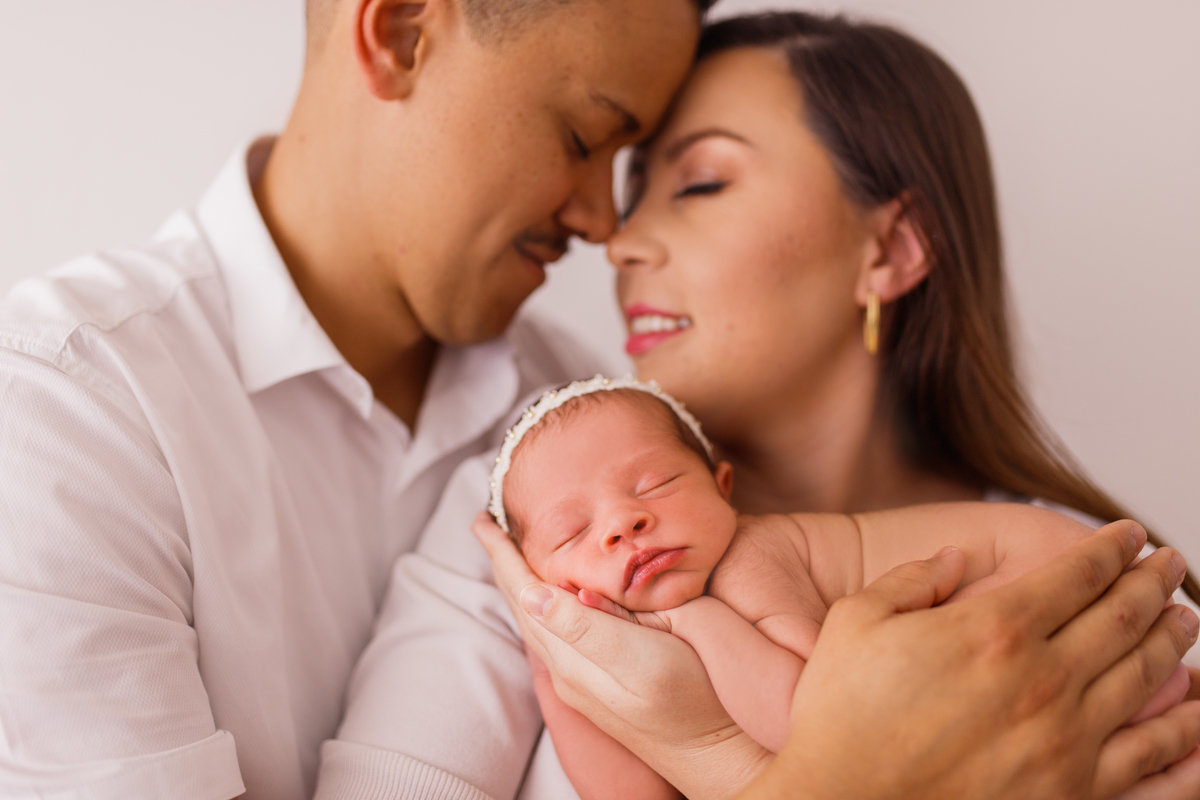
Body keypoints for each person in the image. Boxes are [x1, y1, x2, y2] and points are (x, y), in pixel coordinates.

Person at [0, 2, 1194, 799]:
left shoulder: (1061, 581)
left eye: (704, 179)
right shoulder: (536, 521)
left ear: (893, 249)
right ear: (399, 30)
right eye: (591, 146)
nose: (612, 236)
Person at [487, 377, 1188, 798]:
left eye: (655, 486)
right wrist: (557, 667)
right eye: (570, 534)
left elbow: (814, 727)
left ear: (722, 487)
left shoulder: (750, 560)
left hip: (1068, 610)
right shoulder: (628, 621)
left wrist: (698, 625)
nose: (622, 522)